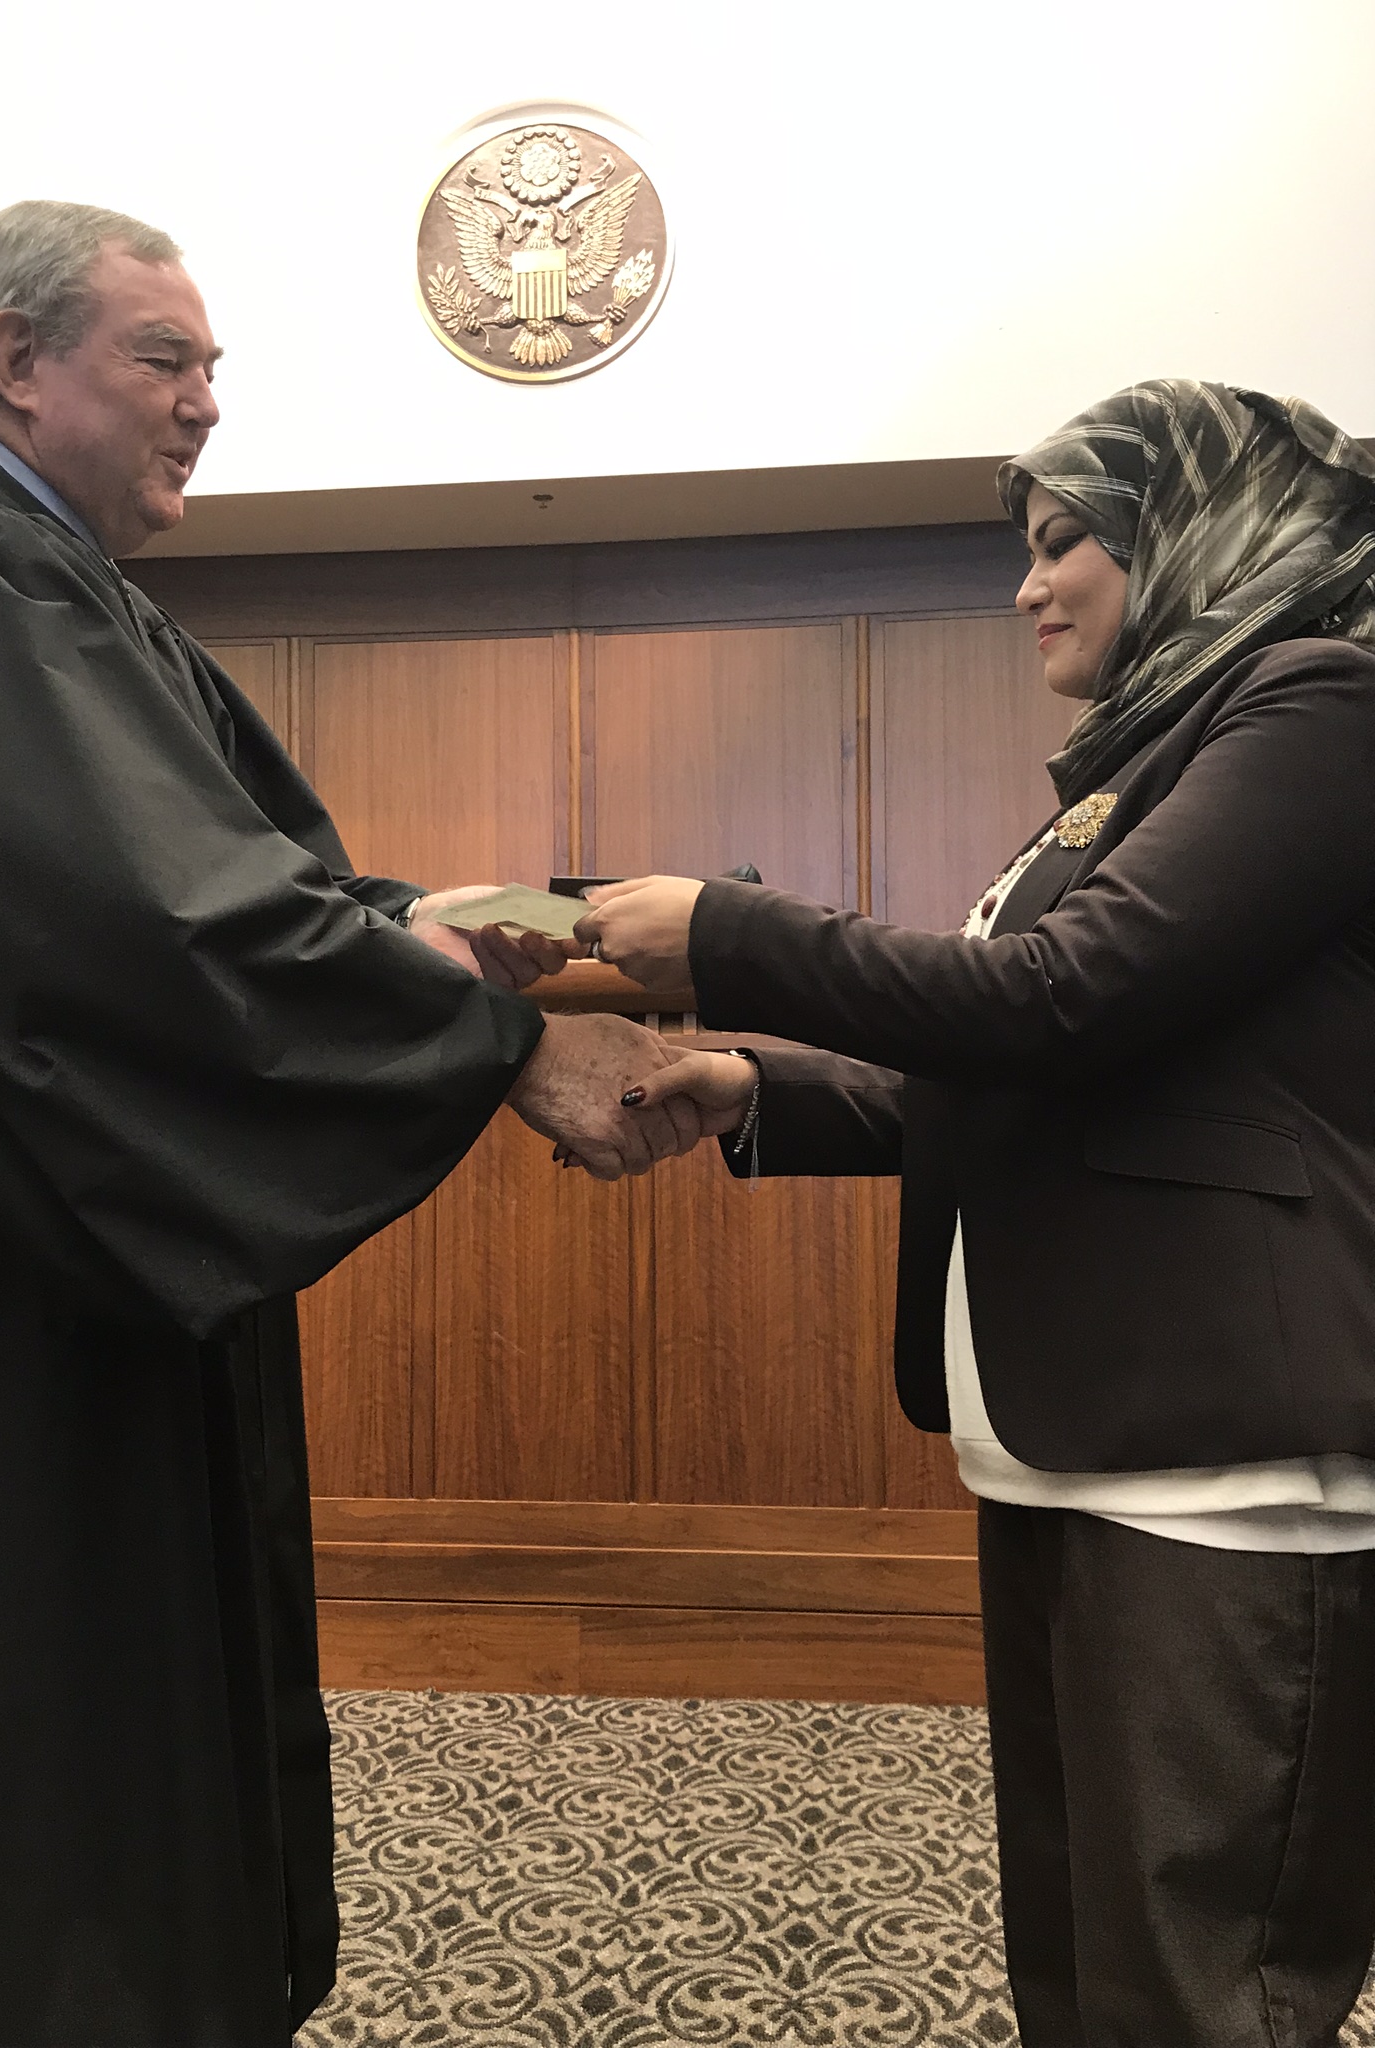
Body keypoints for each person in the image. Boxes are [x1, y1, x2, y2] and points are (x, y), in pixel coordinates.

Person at [0, 199, 699, 2046]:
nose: (207, 400)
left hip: (59, 1286)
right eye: (166, 358)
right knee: (30, 1778)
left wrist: (438, 927)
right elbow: (145, 934)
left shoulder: (39, 575)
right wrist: (499, 1044)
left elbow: (239, 888)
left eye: (213, 364)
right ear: (15, 360)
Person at [573, 380, 1375, 2046]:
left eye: (1066, 539)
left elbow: (1062, 998)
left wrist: (732, 932)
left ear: (1201, 527)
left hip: (1223, 1464)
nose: (1027, 585)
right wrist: (751, 1085)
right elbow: (1028, 1073)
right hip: (1077, 1441)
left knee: (1202, 1987)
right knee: (1083, 1967)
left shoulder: (1321, 699)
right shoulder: (1139, 760)